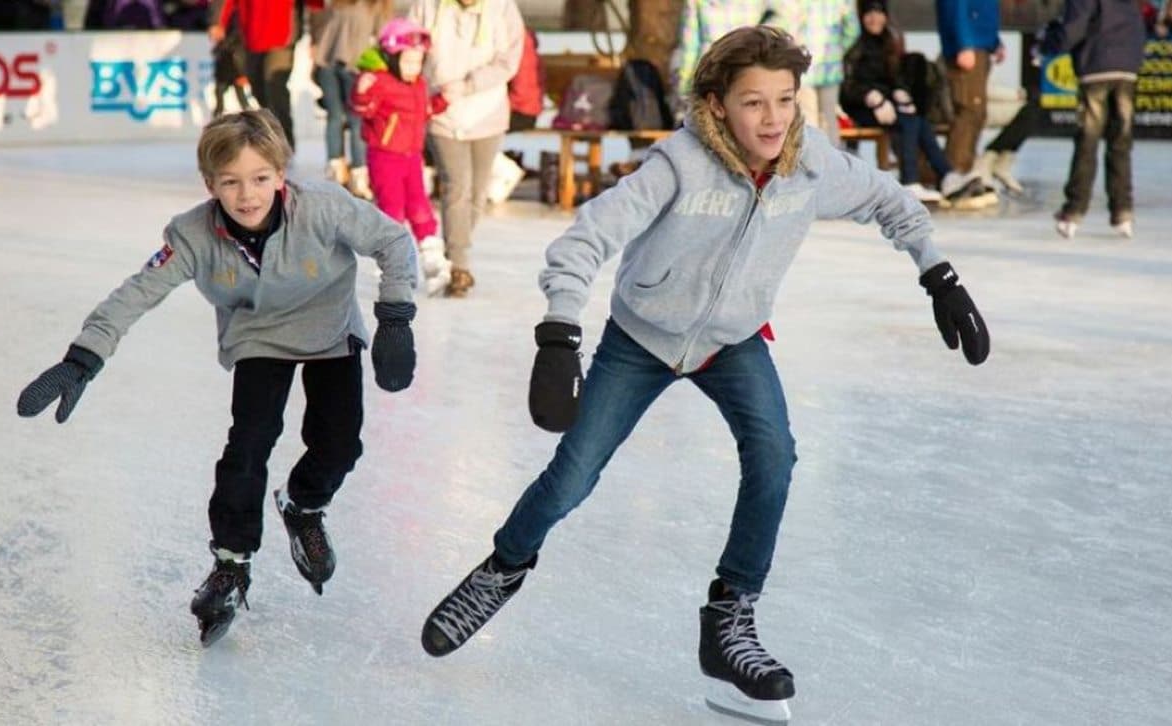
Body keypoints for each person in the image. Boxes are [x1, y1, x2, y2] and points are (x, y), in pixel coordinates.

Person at [418, 25, 990, 722]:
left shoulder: (811, 166)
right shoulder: (678, 164)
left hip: (732, 340)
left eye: (784, 99)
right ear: (718, 105)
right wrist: (560, 333)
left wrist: (939, 274)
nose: (773, 118)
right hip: (641, 337)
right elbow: (585, 238)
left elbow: (889, 201)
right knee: (573, 475)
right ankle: (504, 566)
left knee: (774, 458)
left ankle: (731, 618)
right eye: (754, 102)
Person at [15, 109, 420, 647]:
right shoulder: (191, 235)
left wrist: (395, 316)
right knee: (247, 446)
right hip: (257, 337)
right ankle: (231, 563)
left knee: (340, 444)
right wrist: (85, 355)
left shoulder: (323, 206)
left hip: (329, 331)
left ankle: (302, 504)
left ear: (281, 174)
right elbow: (138, 291)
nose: (247, 195)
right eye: (230, 182)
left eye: (259, 178)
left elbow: (394, 241)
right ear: (210, 185)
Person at [408, 0, 524, 298]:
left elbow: (509, 59)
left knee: (477, 192)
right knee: (456, 186)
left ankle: (454, 249)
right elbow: (408, 44)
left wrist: (470, 84)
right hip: (442, 111)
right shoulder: (427, 6)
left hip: (487, 112)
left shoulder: (502, 8)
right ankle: (459, 265)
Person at [841, 0, 984, 205]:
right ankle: (909, 181)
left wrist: (900, 92)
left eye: (879, 13)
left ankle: (946, 176)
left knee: (917, 119)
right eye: (869, 14)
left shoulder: (888, 41)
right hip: (859, 106)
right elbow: (849, 85)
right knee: (908, 122)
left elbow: (893, 77)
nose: (875, 19)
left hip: (886, 104)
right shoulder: (855, 44)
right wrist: (873, 98)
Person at [351, 18, 452, 296]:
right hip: (385, 157)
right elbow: (363, 109)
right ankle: (393, 265)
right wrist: (362, 90)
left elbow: (423, 111)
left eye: (418, 62)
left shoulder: (418, 84)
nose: (413, 68)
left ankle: (432, 257)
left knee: (420, 205)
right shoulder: (380, 82)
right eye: (407, 61)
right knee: (392, 209)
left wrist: (442, 101)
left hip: (411, 157)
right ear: (392, 58)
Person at [1040, 0, 1146, 239]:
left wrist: (1049, 44)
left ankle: (1074, 210)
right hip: (1126, 69)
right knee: (1120, 141)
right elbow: (1137, 26)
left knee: (1088, 140)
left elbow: (1074, 27)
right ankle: (1123, 211)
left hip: (1096, 65)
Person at [310, 0, 383, 196]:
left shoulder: (368, 5)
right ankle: (345, 173)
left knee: (348, 119)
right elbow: (327, 35)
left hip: (344, 67)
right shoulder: (347, 5)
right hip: (340, 67)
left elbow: (380, 38)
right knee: (344, 119)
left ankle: (349, 173)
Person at [934, 0, 1003, 205]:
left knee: (977, 112)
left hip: (981, 43)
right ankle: (955, 175)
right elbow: (955, 6)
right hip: (968, 45)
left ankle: (965, 171)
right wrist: (963, 44)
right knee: (968, 110)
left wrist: (994, 41)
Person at [210, 0, 301, 151]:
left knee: (274, 86)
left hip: (282, 37)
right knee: (258, 90)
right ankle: (271, 136)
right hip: (251, 37)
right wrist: (218, 21)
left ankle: (284, 142)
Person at [797, 0, 859, 148]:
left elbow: (789, 24)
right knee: (829, 120)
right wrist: (838, 51)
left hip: (804, 67)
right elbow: (853, 30)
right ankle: (832, 167)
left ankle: (809, 166)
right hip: (831, 67)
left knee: (807, 121)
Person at [208, 0, 250, 117]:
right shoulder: (224, 11)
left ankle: (253, 123)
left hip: (235, 62)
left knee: (241, 97)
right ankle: (217, 120)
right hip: (225, 61)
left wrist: (243, 73)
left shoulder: (238, 17)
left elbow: (239, 43)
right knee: (220, 95)